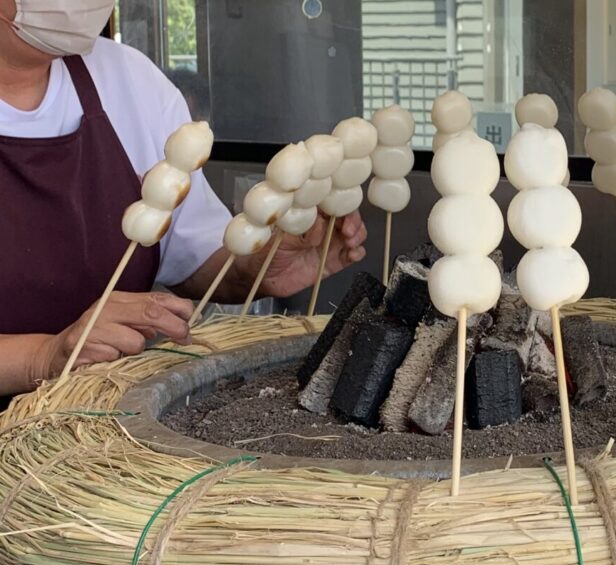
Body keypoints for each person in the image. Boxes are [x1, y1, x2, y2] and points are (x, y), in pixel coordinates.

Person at [0, 0, 367, 399]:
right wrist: (44, 357)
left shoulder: (128, 80)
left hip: (102, 434)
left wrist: (257, 266)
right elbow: (47, 358)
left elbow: (191, 258)